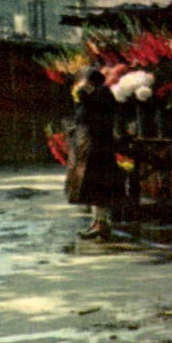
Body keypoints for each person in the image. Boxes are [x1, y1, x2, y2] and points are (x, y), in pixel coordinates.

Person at [63, 67, 121, 241]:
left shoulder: (101, 94)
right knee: (93, 189)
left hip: (98, 149)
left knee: (99, 188)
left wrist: (83, 96)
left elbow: (97, 119)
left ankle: (101, 224)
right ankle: (97, 223)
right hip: (91, 147)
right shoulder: (94, 94)